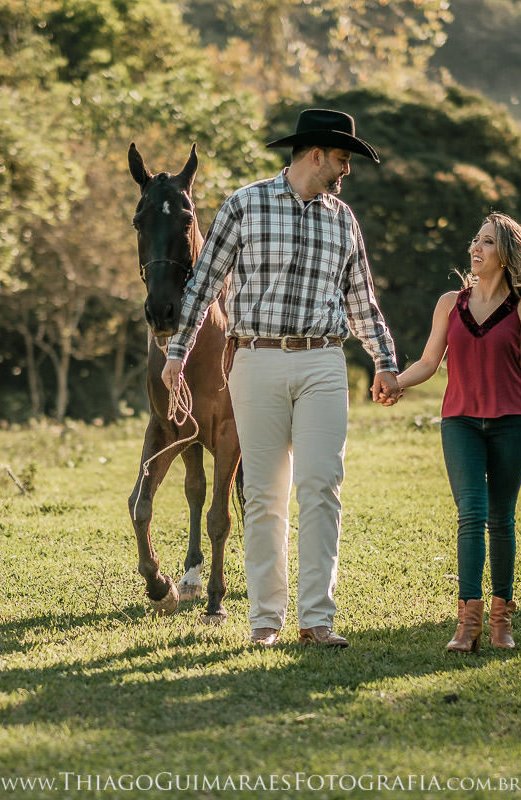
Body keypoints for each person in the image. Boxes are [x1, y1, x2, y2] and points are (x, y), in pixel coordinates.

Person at [160, 108, 401, 648]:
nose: (346, 170)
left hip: (322, 362)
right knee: (265, 494)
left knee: (322, 486)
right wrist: (178, 352)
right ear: (314, 154)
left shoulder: (343, 220)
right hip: (258, 361)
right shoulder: (244, 206)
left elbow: (362, 301)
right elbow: (202, 286)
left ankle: (317, 620)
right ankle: (265, 622)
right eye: (342, 158)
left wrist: (384, 361)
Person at [395, 212, 521, 652]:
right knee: (472, 513)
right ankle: (467, 623)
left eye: (486, 242)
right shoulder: (451, 303)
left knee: (502, 519)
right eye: (475, 240)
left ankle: (501, 621)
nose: (475, 249)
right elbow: (428, 362)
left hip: (510, 426)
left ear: (505, 254)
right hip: (460, 422)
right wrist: (396, 383)